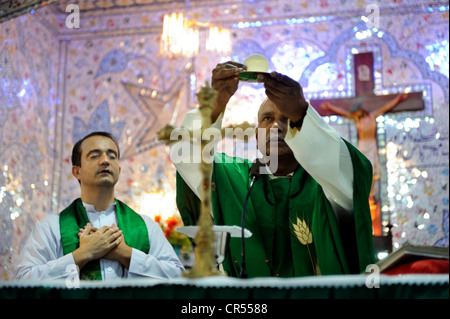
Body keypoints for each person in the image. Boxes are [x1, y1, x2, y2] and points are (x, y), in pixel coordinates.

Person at [173, 61, 375, 278]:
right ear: (257, 131)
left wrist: (301, 111)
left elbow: (348, 168)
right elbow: (188, 155)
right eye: (267, 119)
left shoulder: (326, 183)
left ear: (301, 127)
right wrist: (214, 106)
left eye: (288, 119)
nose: (277, 126)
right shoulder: (234, 179)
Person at [15, 131, 184, 280]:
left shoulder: (147, 227)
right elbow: (23, 281)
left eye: (112, 155)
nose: (105, 160)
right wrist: (82, 255)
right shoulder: (50, 228)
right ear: (77, 171)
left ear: (118, 168)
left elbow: (178, 276)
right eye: (95, 155)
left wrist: (127, 255)